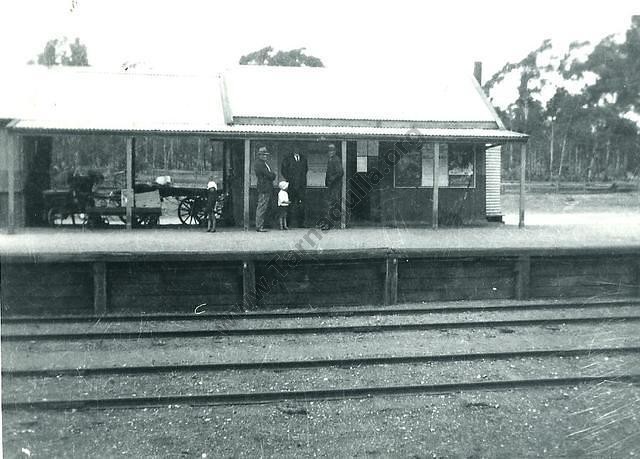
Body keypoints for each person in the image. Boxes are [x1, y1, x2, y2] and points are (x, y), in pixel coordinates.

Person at [280, 150, 308, 227]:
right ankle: (288, 223)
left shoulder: (303, 159)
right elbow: (283, 170)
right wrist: (290, 179)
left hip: (301, 186)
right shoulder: (287, 158)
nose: (297, 150)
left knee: (301, 205)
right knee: (289, 204)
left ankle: (301, 223)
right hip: (291, 186)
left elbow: (305, 170)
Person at [321, 143, 343, 230]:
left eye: (332, 150)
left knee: (331, 205)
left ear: (335, 151)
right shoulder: (331, 160)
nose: (330, 152)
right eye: (329, 151)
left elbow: (340, 172)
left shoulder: (336, 160)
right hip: (332, 186)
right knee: (331, 205)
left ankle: (329, 224)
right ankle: (328, 223)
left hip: (335, 186)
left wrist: (331, 179)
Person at [254, 146, 276, 232]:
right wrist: (272, 175)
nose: (265, 156)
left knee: (263, 206)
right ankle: (259, 226)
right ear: (259, 155)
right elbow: (269, 175)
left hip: (266, 187)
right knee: (262, 207)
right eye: (263, 155)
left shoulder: (262, 163)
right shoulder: (260, 164)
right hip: (264, 188)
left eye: (266, 155)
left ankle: (260, 225)